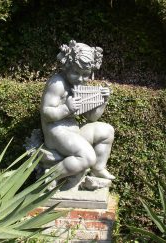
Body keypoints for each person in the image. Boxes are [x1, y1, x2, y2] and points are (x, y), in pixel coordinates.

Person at [40, 40, 115, 181]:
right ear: (67, 66)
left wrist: (103, 102)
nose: (81, 78)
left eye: (85, 74)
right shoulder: (57, 84)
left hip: (73, 131)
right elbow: (46, 113)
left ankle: (98, 169)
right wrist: (66, 108)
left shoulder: (79, 84)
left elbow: (92, 118)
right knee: (87, 156)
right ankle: (51, 176)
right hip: (56, 133)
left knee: (107, 131)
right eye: (76, 72)